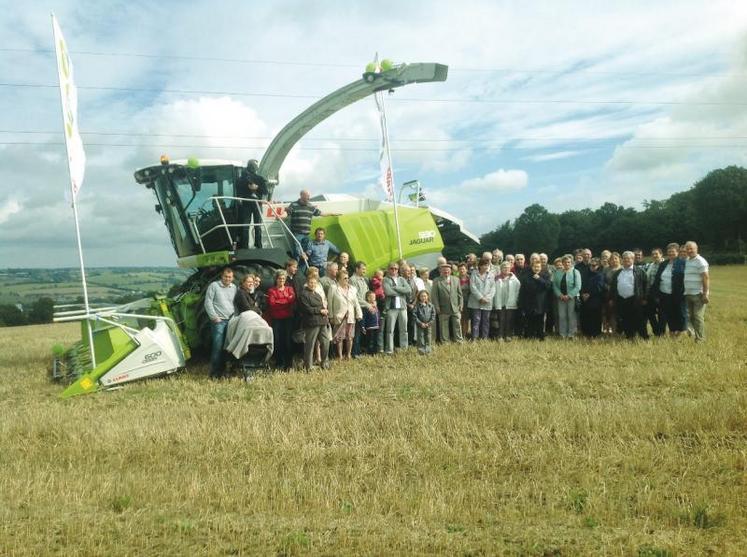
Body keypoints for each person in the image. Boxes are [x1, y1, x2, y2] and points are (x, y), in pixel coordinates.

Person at [204, 267, 236, 378]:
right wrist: (214, 317)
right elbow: (208, 302)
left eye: (230, 277)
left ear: (232, 278)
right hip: (219, 321)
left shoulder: (234, 287)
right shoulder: (214, 286)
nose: (228, 279)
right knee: (218, 346)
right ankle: (215, 373)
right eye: (226, 277)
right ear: (221, 276)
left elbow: (235, 303)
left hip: (231, 321)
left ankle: (226, 371)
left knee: (229, 347)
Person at [610, 251, 649, 340]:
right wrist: (612, 299)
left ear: (633, 259)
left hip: (635, 299)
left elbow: (646, 285)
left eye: (629, 258)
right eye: (624, 258)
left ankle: (644, 337)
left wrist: (645, 298)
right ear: (622, 260)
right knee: (625, 319)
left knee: (639, 319)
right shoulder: (618, 272)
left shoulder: (639, 271)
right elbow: (613, 287)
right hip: (621, 299)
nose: (626, 260)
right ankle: (630, 336)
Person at [296, 275, 331, 371]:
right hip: (311, 323)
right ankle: (308, 366)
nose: (313, 284)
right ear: (307, 283)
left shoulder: (317, 295)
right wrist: (320, 310)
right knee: (310, 345)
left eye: (314, 283)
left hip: (322, 322)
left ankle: (324, 362)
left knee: (326, 342)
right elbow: (307, 309)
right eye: (311, 282)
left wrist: (324, 311)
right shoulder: (303, 294)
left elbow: (321, 307)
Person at [652, 242, 686, 335]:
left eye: (673, 252)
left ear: (678, 252)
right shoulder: (664, 264)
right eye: (669, 252)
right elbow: (657, 279)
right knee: (668, 315)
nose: (671, 254)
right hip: (664, 294)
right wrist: (656, 294)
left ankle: (681, 333)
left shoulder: (682, 263)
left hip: (677, 295)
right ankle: (672, 331)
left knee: (679, 314)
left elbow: (685, 280)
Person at [327, 270, 362, 360]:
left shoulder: (353, 289)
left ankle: (349, 354)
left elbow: (356, 302)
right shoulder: (333, 288)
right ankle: (340, 355)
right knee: (339, 337)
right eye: (345, 278)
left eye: (347, 278)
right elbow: (330, 303)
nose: (347, 280)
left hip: (350, 316)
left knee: (350, 337)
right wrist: (330, 316)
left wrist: (359, 313)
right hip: (339, 316)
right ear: (339, 279)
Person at [266, 270, 296, 370]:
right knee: (278, 340)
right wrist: (286, 300)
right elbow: (272, 304)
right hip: (276, 319)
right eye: (280, 278)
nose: (281, 280)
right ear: (276, 279)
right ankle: (279, 362)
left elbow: (292, 300)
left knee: (288, 340)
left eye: (283, 278)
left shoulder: (290, 289)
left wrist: (280, 301)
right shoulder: (271, 291)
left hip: (288, 318)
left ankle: (289, 364)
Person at [235, 159, 268, 249]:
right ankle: (246, 245)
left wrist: (256, 187)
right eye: (254, 166)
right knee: (246, 225)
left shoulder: (259, 178)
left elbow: (265, 191)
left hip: (256, 204)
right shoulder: (242, 178)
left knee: (257, 225)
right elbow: (238, 190)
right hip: (247, 204)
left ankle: (257, 244)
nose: (255, 168)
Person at [430, 262, 464, 343]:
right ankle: (445, 341)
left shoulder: (456, 279)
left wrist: (461, 305)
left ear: (451, 271)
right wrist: (437, 307)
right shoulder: (436, 280)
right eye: (444, 271)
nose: (446, 272)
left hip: (455, 307)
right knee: (444, 326)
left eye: (448, 271)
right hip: (443, 308)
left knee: (457, 325)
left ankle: (459, 340)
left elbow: (460, 294)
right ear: (441, 271)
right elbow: (434, 296)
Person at [519, 259, 552, 340]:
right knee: (529, 320)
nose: (536, 268)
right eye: (535, 267)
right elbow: (522, 291)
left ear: (541, 267)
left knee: (540, 320)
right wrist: (521, 303)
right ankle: (530, 336)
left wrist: (539, 279)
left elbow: (548, 287)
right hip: (529, 302)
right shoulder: (526, 276)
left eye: (538, 267)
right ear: (532, 267)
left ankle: (540, 336)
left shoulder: (545, 275)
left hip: (541, 303)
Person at [285, 190, 322, 263]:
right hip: (297, 233)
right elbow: (287, 213)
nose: (308, 197)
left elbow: (321, 213)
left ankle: (303, 268)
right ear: (301, 195)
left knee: (306, 253)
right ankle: (296, 267)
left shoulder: (310, 206)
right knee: (298, 252)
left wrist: (332, 213)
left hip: (307, 234)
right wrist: (280, 216)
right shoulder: (294, 205)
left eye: (309, 196)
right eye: (307, 195)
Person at [683, 241, 710, 342]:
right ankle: (695, 335)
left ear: (696, 249)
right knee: (691, 316)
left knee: (698, 317)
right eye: (687, 248)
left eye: (691, 248)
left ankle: (701, 339)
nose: (689, 250)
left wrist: (705, 294)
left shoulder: (701, 261)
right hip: (688, 293)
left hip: (698, 294)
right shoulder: (687, 260)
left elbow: (706, 278)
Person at [383, 262, 411, 353]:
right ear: (388, 269)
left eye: (396, 268)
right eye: (392, 268)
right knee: (390, 330)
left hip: (402, 307)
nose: (394, 270)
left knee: (404, 329)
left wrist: (395, 288)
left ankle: (404, 348)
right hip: (391, 308)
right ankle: (389, 349)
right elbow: (388, 292)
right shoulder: (385, 279)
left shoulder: (402, 279)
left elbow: (408, 290)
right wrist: (401, 291)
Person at [552, 255, 582, 339]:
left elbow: (578, 286)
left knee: (571, 315)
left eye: (568, 262)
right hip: (561, 298)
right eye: (565, 262)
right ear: (562, 263)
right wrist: (560, 295)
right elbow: (554, 285)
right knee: (562, 315)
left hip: (571, 298)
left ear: (571, 263)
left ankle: (571, 334)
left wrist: (569, 296)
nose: (567, 264)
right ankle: (563, 334)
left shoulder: (575, 272)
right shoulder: (557, 272)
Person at [468, 259, 495, 340]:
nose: (486, 266)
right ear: (480, 266)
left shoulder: (491, 275)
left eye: (487, 265)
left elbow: (493, 288)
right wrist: (480, 297)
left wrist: (487, 298)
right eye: (484, 265)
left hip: (487, 302)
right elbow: (472, 287)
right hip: (476, 301)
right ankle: (475, 338)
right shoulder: (474, 274)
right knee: (476, 320)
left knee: (486, 321)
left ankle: (484, 338)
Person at [493, 261, 520, 341]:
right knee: (501, 319)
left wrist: (516, 299)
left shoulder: (514, 279)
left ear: (510, 268)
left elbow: (518, 290)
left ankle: (508, 335)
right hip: (500, 302)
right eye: (504, 267)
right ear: (501, 269)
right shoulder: (496, 278)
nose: (506, 269)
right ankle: (500, 336)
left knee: (509, 320)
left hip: (510, 302)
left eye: (508, 268)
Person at [579, 258, 606, 338]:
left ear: (598, 266)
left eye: (594, 265)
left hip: (595, 299)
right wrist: (582, 294)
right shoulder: (585, 274)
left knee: (595, 317)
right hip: (584, 298)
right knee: (585, 316)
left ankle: (595, 333)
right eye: (590, 265)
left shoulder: (600, 275)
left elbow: (599, 287)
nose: (592, 267)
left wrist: (589, 294)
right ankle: (586, 333)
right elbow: (581, 285)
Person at [645, 248, 665, 336]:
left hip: (662, 293)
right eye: (653, 254)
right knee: (650, 313)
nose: (654, 256)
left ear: (661, 254)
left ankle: (661, 332)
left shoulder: (665, 264)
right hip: (651, 293)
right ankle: (656, 331)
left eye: (656, 254)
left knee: (662, 314)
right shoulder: (651, 265)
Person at [413, 290, 436, 355]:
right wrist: (420, 323)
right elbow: (414, 316)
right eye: (422, 296)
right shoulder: (417, 306)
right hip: (420, 325)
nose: (424, 298)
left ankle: (428, 351)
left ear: (428, 297)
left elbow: (433, 315)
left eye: (425, 296)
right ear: (419, 297)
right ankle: (421, 352)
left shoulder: (431, 306)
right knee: (420, 338)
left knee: (428, 338)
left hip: (428, 325)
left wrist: (429, 323)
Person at [361, 291, 382, 355]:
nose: (374, 298)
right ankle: (369, 352)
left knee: (376, 340)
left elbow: (378, 315)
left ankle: (375, 352)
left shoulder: (376, 306)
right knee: (370, 340)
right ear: (368, 298)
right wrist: (363, 326)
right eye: (372, 297)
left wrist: (379, 324)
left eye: (374, 297)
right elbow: (363, 317)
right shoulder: (366, 307)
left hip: (376, 326)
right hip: (370, 327)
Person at [457, 263, 471, 339]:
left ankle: (465, 334)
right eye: (460, 269)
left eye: (463, 269)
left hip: (469, 301)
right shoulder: (455, 279)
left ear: (466, 270)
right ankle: (460, 334)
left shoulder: (470, 278)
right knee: (460, 319)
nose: (462, 270)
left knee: (466, 319)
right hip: (459, 302)